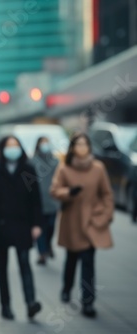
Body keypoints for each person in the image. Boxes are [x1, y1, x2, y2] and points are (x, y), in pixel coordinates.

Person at [50, 133, 114, 318]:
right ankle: (66, 287)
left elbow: (107, 195)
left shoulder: (98, 168)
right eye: (78, 144)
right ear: (72, 147)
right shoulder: (65, 168)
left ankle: (88, 301)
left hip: (91, 223)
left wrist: (103, 217)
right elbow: (55, 190)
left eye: (85, 144)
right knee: (71, 259)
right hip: (72, 221)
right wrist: (69, 192)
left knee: (88, 262)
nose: (82, 147)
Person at [0, 135, 42, 320]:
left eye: (16, 145)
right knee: (2, 269)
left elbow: (36, 201)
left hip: (23, 226)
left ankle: (31, 302)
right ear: (2, 149)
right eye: (9, 145)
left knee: (25, 264)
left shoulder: (28, 170)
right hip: (1, 227)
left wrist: (37, 224)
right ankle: (5, 306)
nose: (12, 149)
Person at [30, 137, 59, 265]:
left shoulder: (55, 162)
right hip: (37, 202)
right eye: (42, 143)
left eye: (47, 143)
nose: (44, 146)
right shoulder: (32, 162)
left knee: (51, 227)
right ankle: (42, 253)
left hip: (53, 201)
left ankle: (48, 245)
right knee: (40, 228)